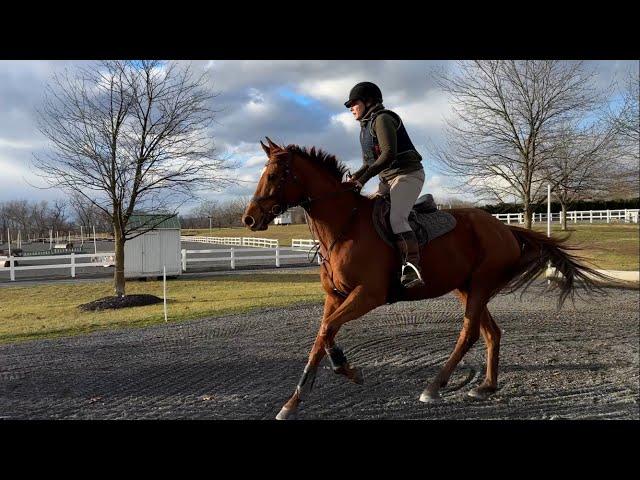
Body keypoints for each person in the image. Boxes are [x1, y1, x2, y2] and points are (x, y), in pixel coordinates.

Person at [344, 81, 426, 288]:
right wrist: (353, 179)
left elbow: (388, 154)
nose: (351, 108)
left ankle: (411, 268)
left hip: (408, 175)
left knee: (396, 219)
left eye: (354, 103)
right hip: (387, 180)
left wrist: (362, 180)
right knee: (367, 212)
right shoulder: (365, 129)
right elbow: (368, 163)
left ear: (368, 101)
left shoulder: (382, 119)